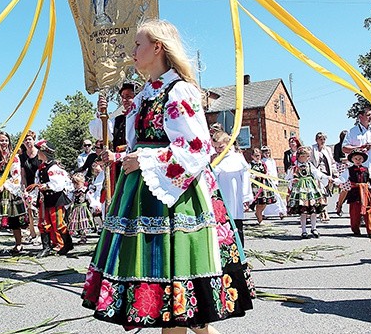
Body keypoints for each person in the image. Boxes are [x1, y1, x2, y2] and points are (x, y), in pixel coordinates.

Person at [82, 19, 254, 332]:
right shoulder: (146, 93)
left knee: (177, 296)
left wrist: (145, 160)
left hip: (177, 196)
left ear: (157, 47)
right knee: (182, 311)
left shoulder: (179, 91)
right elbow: (143, 142)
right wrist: (122, 156)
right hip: (143, 192)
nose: (132, 51)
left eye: (138, 44)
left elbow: (196, 149)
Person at [28, 140, 74, 258]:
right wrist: (33, 195)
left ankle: (67, 244)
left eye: (40, 151)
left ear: (44, 152)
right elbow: (37, 182)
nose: (37, 153)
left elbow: (58, 185)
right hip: (44, 199)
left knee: (58, 223)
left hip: (55, 199)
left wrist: (44, 186)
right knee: (43, 223)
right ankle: (46, 247)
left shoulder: (53, 168)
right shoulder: (41, 168)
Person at [212, 132, 252, 245]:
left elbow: (245, 179)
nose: (218, 150)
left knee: (236, 226)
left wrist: (245, 198)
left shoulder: (237, 158)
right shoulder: (215, 159)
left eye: (221, 147)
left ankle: (239, 256)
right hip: (220, 199)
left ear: (228, 144)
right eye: (215, 147)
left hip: (234, 198)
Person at [285, 146, 331, 239]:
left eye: (307, 156)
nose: (305, 158)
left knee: (313, 210)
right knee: (303, 211)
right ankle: (304, 230)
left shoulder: (310, 165)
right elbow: (287, 179)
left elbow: (317, 174)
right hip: (301, 191)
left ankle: (314, 228)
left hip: (311, 191)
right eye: (303, 156)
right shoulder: (294, 167)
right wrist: (292, 181)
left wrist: (327, 177)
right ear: (298, 156)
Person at [342, 106, 371, 206]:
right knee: (361, 197)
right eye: (368, 115)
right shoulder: (352, 131)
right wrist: (359, 148)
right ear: (360, 116)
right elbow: (344, 148)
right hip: (360, 169)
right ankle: (362, 218)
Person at [334, 150, 371, 236]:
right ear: (352, 159)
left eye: (360, 158)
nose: (358, 160)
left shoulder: (367, 170)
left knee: (369, 212)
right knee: (355, 212)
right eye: (356, 158)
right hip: (354, 193)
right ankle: (355, 229)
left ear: (363, 160)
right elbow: (342, 179)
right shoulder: (349, 170)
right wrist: (334, 181)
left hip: (366, 193)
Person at [309, 132, 338, 222]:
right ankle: (322, 211)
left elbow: (332, 162)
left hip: (327, 173)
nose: (322, 141)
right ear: (316, 140)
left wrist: (335, 173)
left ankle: (324, 211)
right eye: (320, 139)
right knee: (320, 193)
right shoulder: (312, 149)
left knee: (326, 193)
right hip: (317, 174)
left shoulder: (328, 149)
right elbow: (310, 162)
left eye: (324, 139)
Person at [19, 130, 41, 244]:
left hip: (39, 185)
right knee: (30, 210)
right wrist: (24, 189)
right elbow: (22, 174)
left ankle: (39, 234)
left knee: (37, 211)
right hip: (29, 186)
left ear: (34, 140)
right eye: (25, 140)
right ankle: (32, 233)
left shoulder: (39, 153)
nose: (28, 142)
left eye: (29, 139)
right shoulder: (22, 157)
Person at [248, 148, 276, 224]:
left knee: (264, 202)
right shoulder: (251, 165)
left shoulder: (263, 164)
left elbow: (267, 172)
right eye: (255, 155)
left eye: (259, 155)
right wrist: (255, 175)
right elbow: (248, 175)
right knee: (259, 202)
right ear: (252, 156)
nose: (257, 157)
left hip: (264, 184)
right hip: (256, 185)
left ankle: (258, 213)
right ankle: (260, 218)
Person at [68, 173, 95, 244]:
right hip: (76, 208)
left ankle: (83, 237)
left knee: (83, 223)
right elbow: (71, 200)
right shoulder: (74, 192)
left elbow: (90, 199)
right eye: (74, 184)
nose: (75, 186)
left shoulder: (85, 191)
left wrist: (93, 206)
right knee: (74, 222)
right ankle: (72, 236)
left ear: (82, 183)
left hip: (83, 208)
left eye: (77, 184)